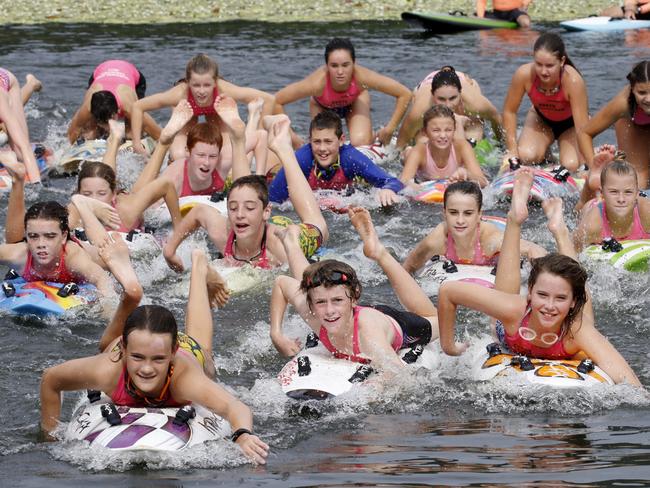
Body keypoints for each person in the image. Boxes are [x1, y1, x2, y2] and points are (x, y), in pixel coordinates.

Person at [40, 249, 269, 465]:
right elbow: (51, 379)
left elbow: (235, 407)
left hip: (181, 350)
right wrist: (51, 436)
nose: (147, 369)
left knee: (205, 355)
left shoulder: (184, 377)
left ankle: (199, 266)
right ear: (125, 351)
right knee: (103, 347)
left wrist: (242, 435)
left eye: (158, 360)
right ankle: (130, 297)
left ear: (171, 353)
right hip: (121, 344)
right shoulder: (107, 370)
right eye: (138, 358)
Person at [437, 168, 641, 386]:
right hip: (514, 327)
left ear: (572, 302)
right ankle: (514, 219)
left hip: (571, 325)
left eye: (561, 299)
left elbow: (631, 383)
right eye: (542, 295)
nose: (549, 306)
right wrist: (449, 346)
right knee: (502, 305)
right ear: (530, 293)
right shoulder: (515, 310)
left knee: (583, 309)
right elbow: (448, 291)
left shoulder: (578, 330)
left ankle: (559, 229)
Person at [269, 207, 438, 373]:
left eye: (337, 301)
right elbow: (281, 283)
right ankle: (291, 241)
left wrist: (378, 384)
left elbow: (397, 373)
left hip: (393, 324)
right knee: (311, 283)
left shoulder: (369, 336)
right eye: (320, 303)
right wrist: (276, 334)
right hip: (348, 309)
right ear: (311, 304)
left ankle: (379, 253)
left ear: (354, 297)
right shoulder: (312, 311)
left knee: (439, 322)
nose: (329, 312)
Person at [162, 108, 328, 272]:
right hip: (260, 221)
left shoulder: (279, 247)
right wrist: (170, 251)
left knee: (319, 225)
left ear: (265, 211)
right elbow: (198, 213)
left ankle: (284, 149)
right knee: (243, 192)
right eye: (232, 208)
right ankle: (238, 141)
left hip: (288, 234)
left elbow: (305, 282)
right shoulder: (224, 231)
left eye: (248, 208)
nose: (239, 214)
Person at [0, 156, 115, 300]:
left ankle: (82, 205)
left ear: (63, 237)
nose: (41, 244)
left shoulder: (73, 258)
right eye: (33, 236)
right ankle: (17, 181)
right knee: (13, 240)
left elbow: (102, 279)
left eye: (50, 236)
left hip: (97, 254)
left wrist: (106, 311)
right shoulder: (18, 254)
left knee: (111, 256)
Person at [129, 53, 272, 167]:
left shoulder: (224, 90)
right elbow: (138, 106)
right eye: (196, 85)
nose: (202, 91)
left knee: (230, 157)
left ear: (215, 82)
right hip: (188, 111)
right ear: (188, 82)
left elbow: (268, 99)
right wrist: (136, 143)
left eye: (207, 85)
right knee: (179, 155)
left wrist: (262, 134)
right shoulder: (179, 94)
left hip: (217, 110)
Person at [274, 37, 412, 147]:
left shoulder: (362, 77)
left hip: (355, 102)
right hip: (322, 105)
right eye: (334, 66)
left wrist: (390, 128)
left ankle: (373, 135)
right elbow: (277, 101)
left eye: (346, 65)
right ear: (326, 66)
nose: (340, 72)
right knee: (325, 144)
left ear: (354, 63)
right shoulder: (316, 84)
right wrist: (292, 137)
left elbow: (404, 94)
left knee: (360, 143)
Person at [403, 180, 545, 274]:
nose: (460, 220)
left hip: (494, 232)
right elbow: (407, 268)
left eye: (468, 213)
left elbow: (536, 250)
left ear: (479, 215)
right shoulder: (436, 241)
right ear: (444, 213)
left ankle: (518, 204)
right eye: (453, 213)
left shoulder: (491, 241)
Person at [268, 110, 404, 207]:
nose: (322, 148)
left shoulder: (350, 158)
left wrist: (388, 189)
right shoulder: (301, 159)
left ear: (341, 140)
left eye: (328, 141)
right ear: (310, 141)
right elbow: (272, 201)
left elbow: (392, 181)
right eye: (316, 142)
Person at [502, 33, 589, 171]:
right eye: (538, 64)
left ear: (561, 61)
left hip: (571, 125)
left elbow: (582, 127)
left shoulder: (573, 80)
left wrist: (587, 165)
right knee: (526, 156)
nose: (543, 71)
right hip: (541, 119)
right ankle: (544, 153)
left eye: (549, 65)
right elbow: (509, 111)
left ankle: (559, 152)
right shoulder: (524, 74)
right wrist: (512, 150)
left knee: (571, 165)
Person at [576, 61, 650, 188]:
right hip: (634, 126)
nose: (648, 99)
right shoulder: (623, 103)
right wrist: (595, 168)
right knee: (638, 183)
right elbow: (584, 133)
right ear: (632, 89)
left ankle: (616, 158)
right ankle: (609, 164)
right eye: (642, 93)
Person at [396, 66, 502, 150]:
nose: (448, 105)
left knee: (474, 134)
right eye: (441, 99)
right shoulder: (420, 111)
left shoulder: (474, 103)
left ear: (460, 94)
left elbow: (496, 119)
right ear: (433, 96)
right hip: (424, 87)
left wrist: (501, 147)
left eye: (452, 98)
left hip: (464, 83)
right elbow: (402, 143)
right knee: (421, 140)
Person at [67, 60, 159, 143]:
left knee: (133, 133)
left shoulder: (131, 107)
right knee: (89, 133)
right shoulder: (88, 107)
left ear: (118, 110)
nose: (108, 127)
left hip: (132, 76)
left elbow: (159, 135)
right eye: (103, 123)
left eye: (110, 121)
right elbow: (73, 131)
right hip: (100, 72)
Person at [399, 105, 488, 188]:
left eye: (448, 130)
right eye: (436, 130)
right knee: (409, 155)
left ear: (454, 130)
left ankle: (460, 122)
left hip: (452, 168)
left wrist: (467, 174)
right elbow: (404, 181)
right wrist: (416, 188)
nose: (443, 135)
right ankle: (406, 152)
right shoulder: (419, 151)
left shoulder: (462, 147)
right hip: (422, 172)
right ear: (425, 132)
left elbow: (483, 182)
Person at [573, 158, 650, 251]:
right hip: (594, 208)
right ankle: (589, 184)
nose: (621, 199)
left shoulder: (646, 211)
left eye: (628, 192)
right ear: (602, 193)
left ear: (637, 193)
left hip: (608, 203)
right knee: (580, 210)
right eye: (614, 192)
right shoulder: (593, 224)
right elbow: (571, 252)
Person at [0, 68, 42, 182]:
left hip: (8, 83)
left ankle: (31, 83)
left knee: (19, 153)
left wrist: (36, 183)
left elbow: (25, 146)